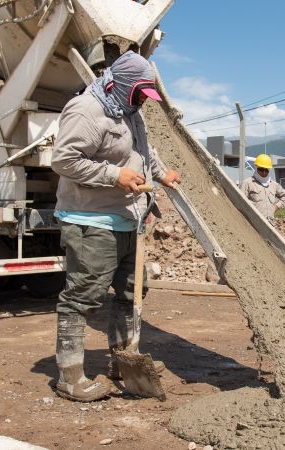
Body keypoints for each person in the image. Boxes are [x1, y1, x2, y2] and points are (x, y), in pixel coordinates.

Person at [50, 51, 181, 402]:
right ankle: (70, 375)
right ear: (121, 84)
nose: (142, 101)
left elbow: (143, 151)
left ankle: (123, 361)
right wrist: (114, 175)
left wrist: (161, 173)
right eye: (139, 93)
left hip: (129, 221)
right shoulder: (86, 110)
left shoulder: (131, 113)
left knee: (131, 293)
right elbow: (63, 160)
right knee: (83, 296)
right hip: (92, 220)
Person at [240, 153, 285, 222]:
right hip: (253, 223)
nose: (264, 172)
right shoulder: (247, 183)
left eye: (266, 170)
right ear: (256, 168)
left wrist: (276, 207)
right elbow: (240, 202)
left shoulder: (274, 185)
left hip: (270, 223)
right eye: (261, 169)